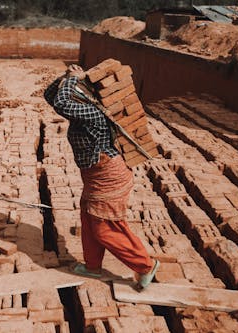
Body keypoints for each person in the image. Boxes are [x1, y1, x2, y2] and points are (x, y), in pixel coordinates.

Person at [44, 64, 159, 290]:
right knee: (89, 219)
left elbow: (61, 102)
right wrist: (66, 77)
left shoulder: (95, 112)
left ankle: (145, 265)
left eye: (78, 89)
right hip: (94, 175)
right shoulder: (83, 106)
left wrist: (72, 79)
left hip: (109, 175)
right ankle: (93, 266)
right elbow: (50, 96)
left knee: (105, 228)